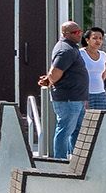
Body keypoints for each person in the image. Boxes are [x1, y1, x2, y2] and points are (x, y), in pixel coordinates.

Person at [37, 19, 89, 159]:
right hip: (68, 99)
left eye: (80, 31)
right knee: (65, 130)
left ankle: (76, 160)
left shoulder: (70, 47)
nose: (80, 34)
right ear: (65, 34)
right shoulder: (65, 50)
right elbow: (55, 73)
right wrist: (49, 80)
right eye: (75, 32)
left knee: (77, 131)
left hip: (76, 98)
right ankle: (60, 161)